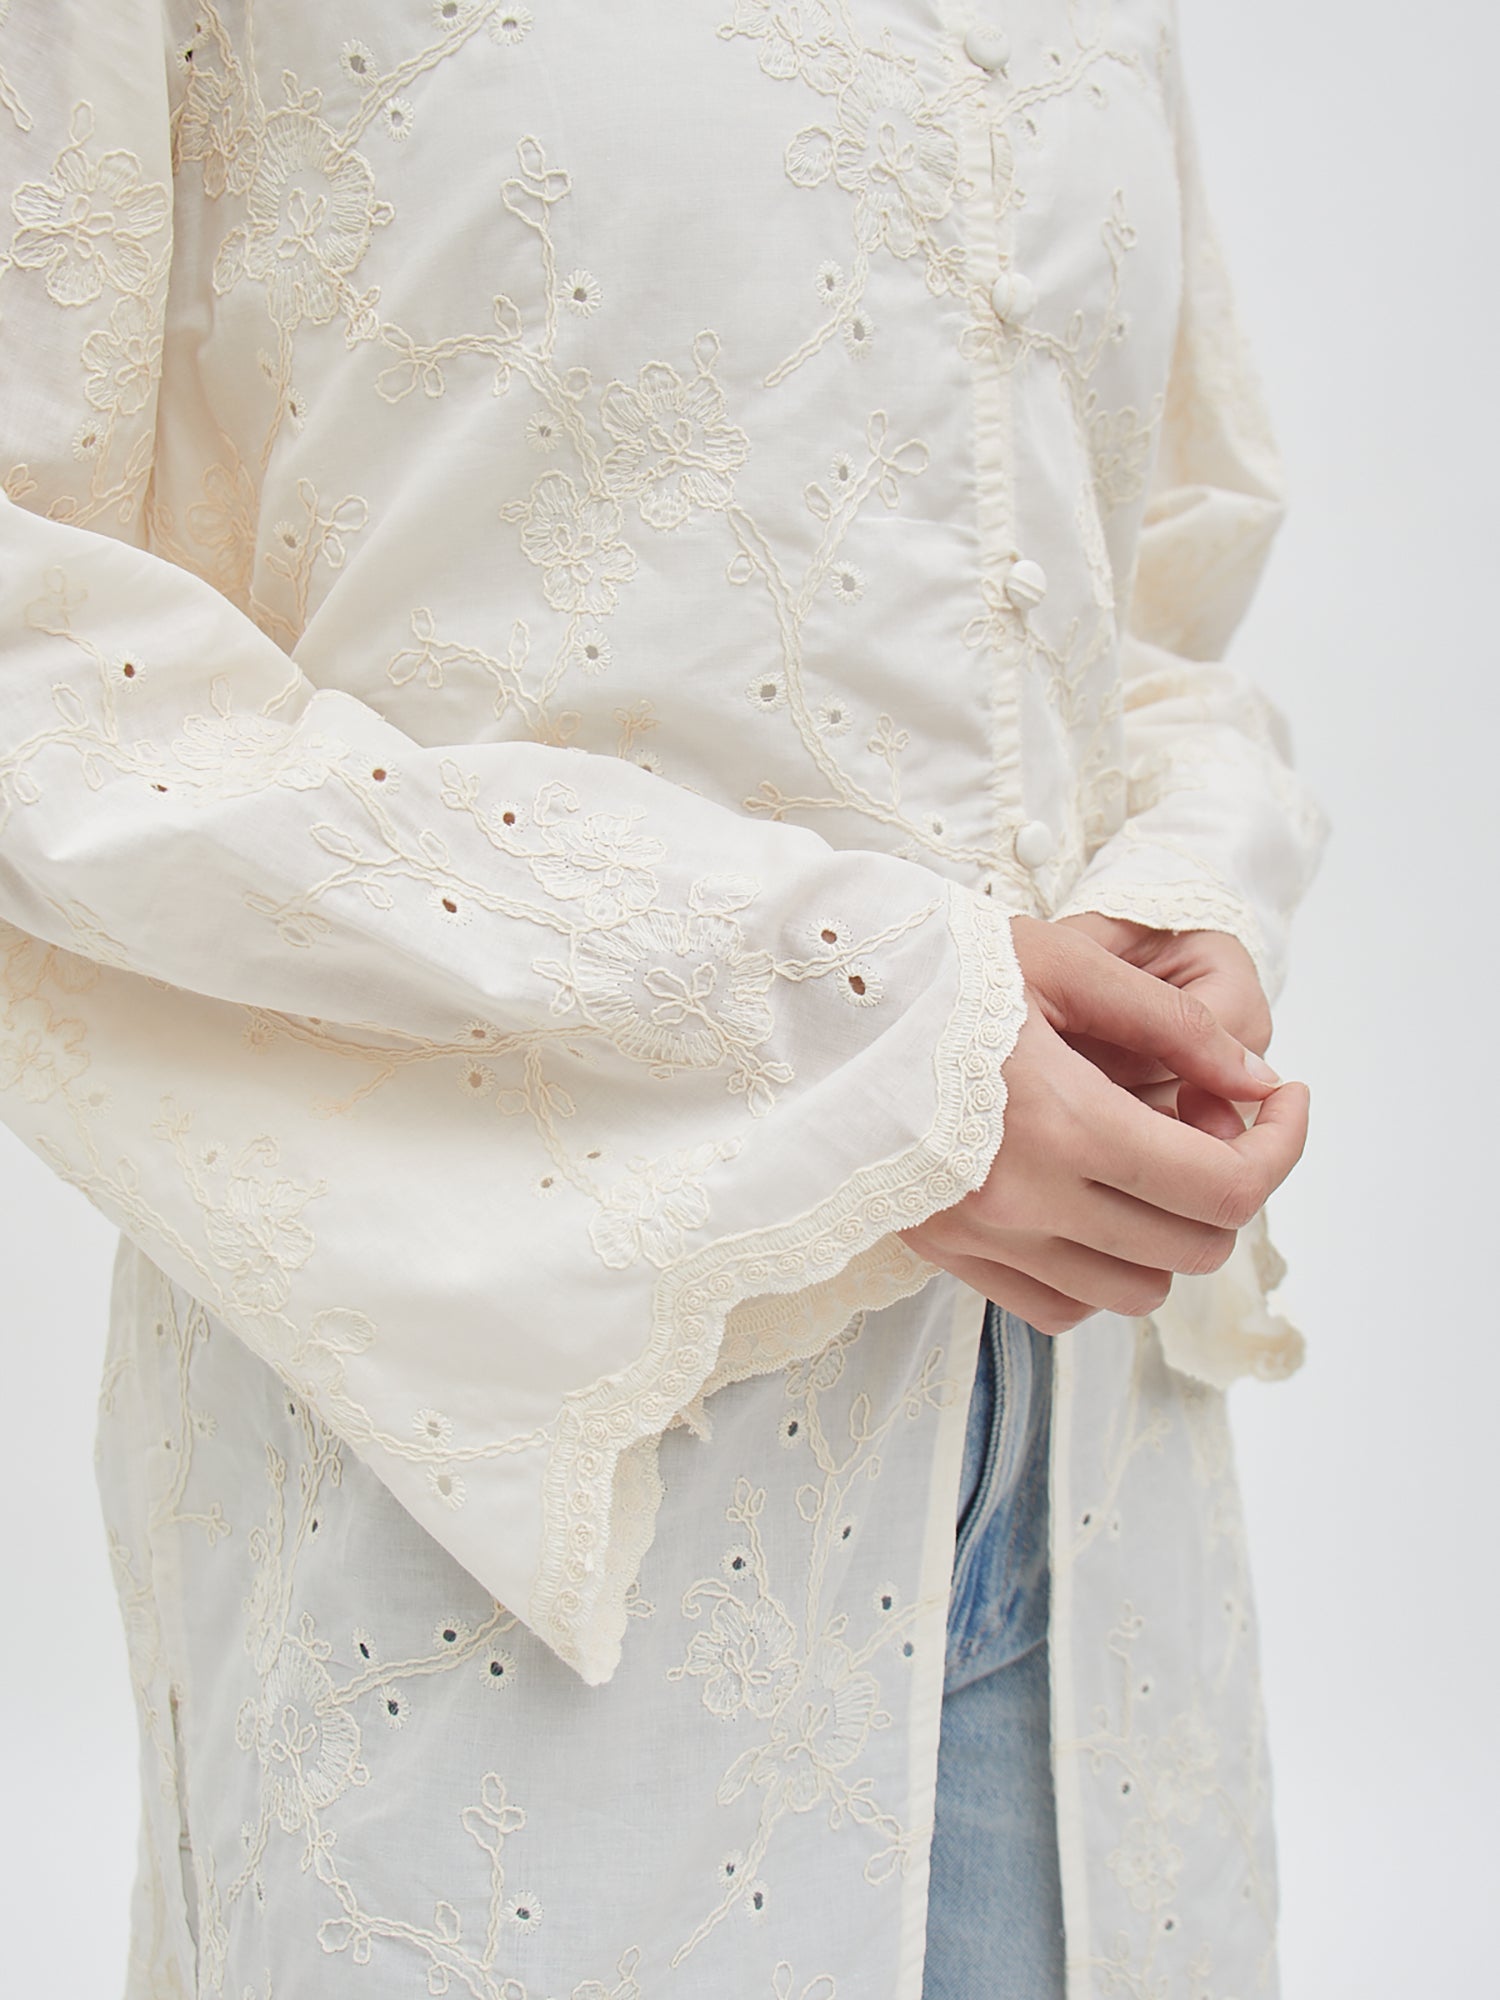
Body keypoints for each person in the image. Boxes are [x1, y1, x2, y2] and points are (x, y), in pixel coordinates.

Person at [0, 3, 1326, 1994]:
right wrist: (834, 1021)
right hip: (512, 1551)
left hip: (1090, 1545)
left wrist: (1182, 891)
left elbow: (1139, 594)